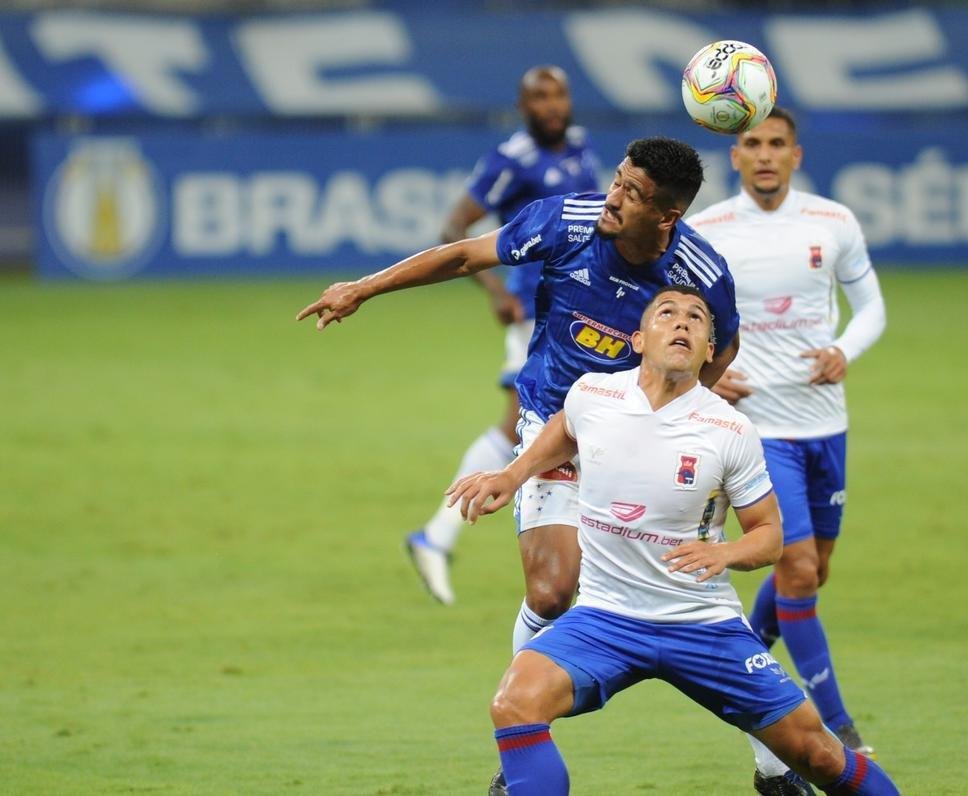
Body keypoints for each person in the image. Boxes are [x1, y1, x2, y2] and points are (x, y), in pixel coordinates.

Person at [446, 286, 899, 796]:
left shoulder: (729, 429)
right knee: (514, 701)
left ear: (711, 350)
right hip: (605, 618)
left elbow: (770, 536)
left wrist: (724, 552)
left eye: (697, 319)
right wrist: (511, 476)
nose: (682, 323)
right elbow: (565, 431)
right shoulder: (593, 394)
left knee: (817, 752)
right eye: (668, 314)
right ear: (639, 339)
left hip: (701, 624)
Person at [298, 136, 740, 641]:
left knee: (648, 596)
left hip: (632, 439)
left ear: (667, 217)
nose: (613, 198)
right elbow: (464, 255)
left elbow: (724, 345)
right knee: (552, 592)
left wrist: (675, 408)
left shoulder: (701, 274)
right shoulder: (566, 222)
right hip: (550, 420)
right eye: (617, 180)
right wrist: (364, 287)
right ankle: (519, 709)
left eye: (633, 193)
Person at [687, 107, 886, 794]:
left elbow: (873, 309)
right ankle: (835, 727)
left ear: (795, 154)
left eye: (776, 144)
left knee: (812, 572)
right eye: (752, 144)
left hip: (826, 425)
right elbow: (674, 317)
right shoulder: (707, 231)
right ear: (734, 156)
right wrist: (711, 371)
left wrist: (844, 350)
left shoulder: (832, 223)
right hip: (755, 430)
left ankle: (752, 697)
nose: (765, 155)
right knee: (795, 565)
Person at [405, 65, 599, 605]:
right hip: (537, 313)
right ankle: (437, 535)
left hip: (580, 308)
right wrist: (494, 291)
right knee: (522, 421)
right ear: (522, 105)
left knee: (571, 419)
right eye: (540, 97)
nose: (552, 105)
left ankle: (438, 538)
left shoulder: (580, 148)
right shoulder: (512, 160)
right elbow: (454, 229)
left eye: (559, 94)